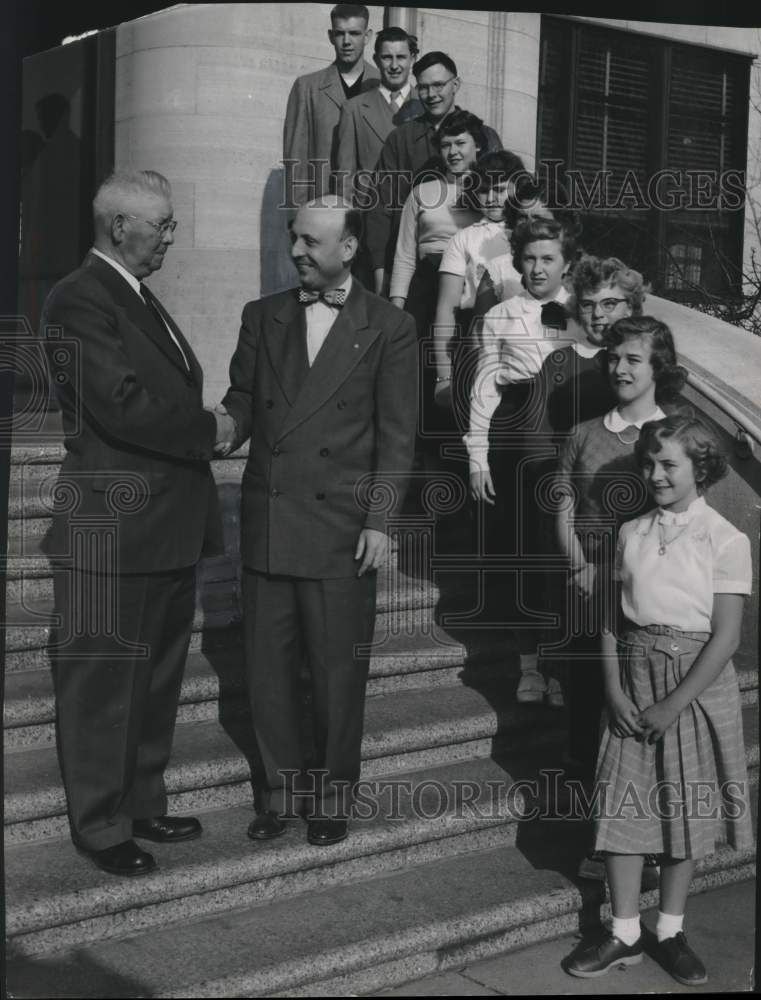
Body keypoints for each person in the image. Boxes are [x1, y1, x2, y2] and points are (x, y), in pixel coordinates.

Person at [40, 169, 230, 877]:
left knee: (152, 679)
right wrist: (210, 428)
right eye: (164, 225)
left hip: (162, 526)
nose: (171, 237)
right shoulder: (77, 298)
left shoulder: (135, 296)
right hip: (108, 529)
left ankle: (142, 798)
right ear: (122, 226)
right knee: (100, 687)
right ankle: (100, 823)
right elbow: (119, 403)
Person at [218, 197, 417, 847]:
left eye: (311, 241)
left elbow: (396, 437)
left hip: (341, 527)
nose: (297, 251)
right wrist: (216, 429)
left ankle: (332, 795)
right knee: (268, 671)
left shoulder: (389, 326)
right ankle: (281, 792)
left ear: (349, 247)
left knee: (336, 671)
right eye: (293, 239)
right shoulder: (262, 315)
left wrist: (380, 522)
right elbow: (242, 402)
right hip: (271, 518)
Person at [563, 410, 753, 985]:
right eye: (648, 463)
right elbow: (611, 622)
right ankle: (623, 933)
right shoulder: (631, 532)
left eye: (668, 463)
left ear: (701, 467)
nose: (656, 474)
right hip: (633, 678)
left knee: (683, 811)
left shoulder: (725, 537)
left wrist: (674, 704)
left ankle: (669, 929)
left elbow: (727, 636)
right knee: (623, 806)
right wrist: (614, 688)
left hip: (692, 686)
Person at [555, 315, 686, 747]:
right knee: (588, 685)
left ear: (658, 368)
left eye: (633, 359)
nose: (620, 369)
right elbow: (563, 508)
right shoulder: (583, 433)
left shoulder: (675, 438)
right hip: (587, 579)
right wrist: (579, 569)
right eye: (613, 359)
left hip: (648, 580)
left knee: (642, 690)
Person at [467, 216, 580, 707]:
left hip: (574, 425)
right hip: (519, 430)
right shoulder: (500, 315)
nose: (537, 268)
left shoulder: (584, 311)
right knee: (527, 550)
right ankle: (530, 665)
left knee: (570, 549)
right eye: (530, 258)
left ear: (566, 263)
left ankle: (565, 666)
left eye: (548, 258)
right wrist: (477, 457)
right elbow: (484, 389)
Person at [366, 51, 503, 294]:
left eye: (439, 85)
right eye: (424, 88)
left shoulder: (486, 136)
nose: (431, 95)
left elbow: (503, 205)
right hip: (417, 267)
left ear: (456, 85)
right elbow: (380, 208)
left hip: (477, 268)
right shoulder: (401, 139)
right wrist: (380, 273)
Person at [432, 149, 527, 415]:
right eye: (485, 190)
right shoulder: (465, 239)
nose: (493, 198)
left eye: (500, 189)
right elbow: (445, 310)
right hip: (480, 342)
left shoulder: (533, 231)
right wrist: (443, 376)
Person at [282, 3, 378, 206]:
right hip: (323, 208)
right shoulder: (307, 88)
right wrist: (296, 217)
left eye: (354, 33)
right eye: (340, 33)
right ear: (330, 36)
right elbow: (295, 160)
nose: (347, 42)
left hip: (374, 212)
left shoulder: (383, 86)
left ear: (367, 36)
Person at [334, 26, 423, 203]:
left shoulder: (426, 107)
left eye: (401, 57)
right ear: (376, 60)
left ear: (412, 59)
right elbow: (345, 177)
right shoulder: (353, 109)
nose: (395, 66)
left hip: (417, 214)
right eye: (387, 57)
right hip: (371, 215)